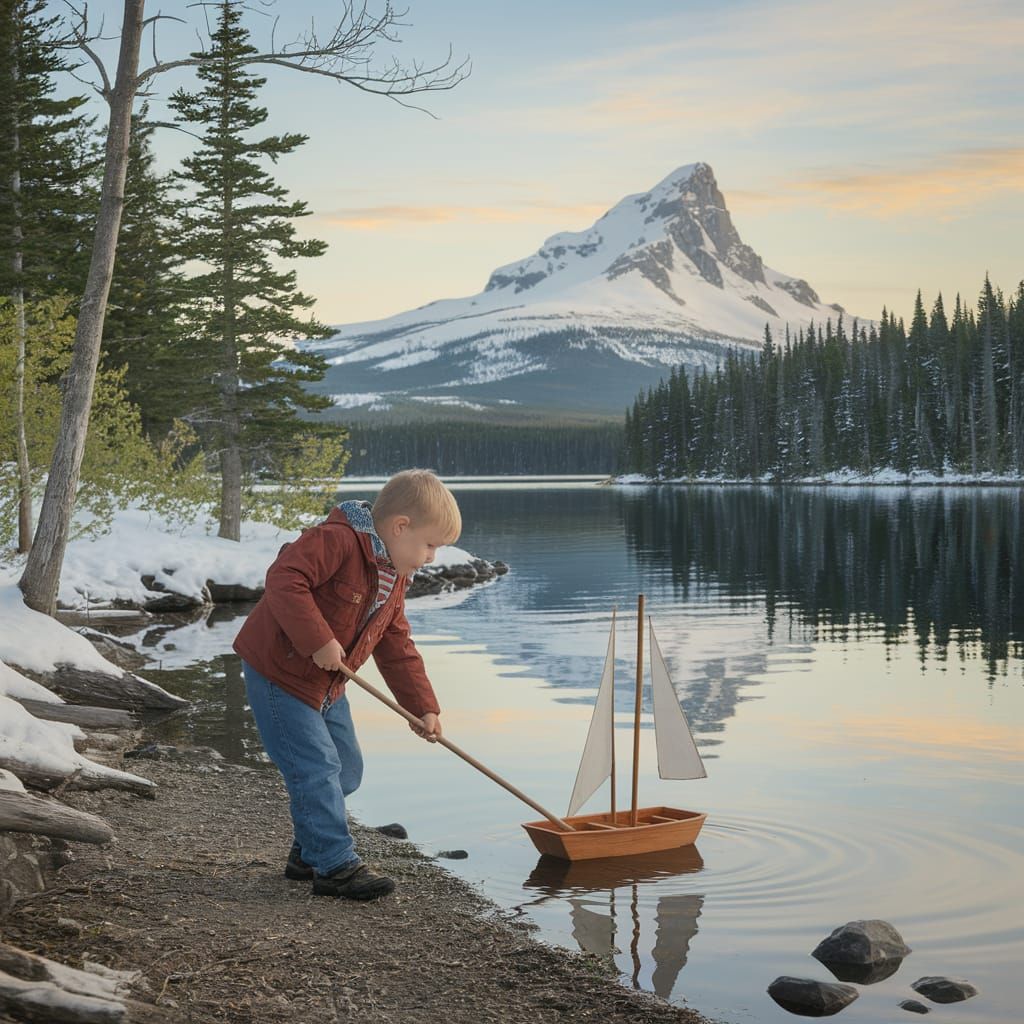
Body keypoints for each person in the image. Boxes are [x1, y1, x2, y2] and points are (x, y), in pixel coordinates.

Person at [233, 469, 461, 901]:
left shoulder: (393, 575)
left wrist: (422, 707)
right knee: (316, 768)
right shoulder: (335, 541)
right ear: (400, 527)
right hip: (280, 676)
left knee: (347, 770)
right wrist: (318, 639)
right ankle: (335, 866)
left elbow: (396, 644)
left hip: (328, 685)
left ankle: (309, 851)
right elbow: (284, 580)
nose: (432, 557)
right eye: (430, 545)